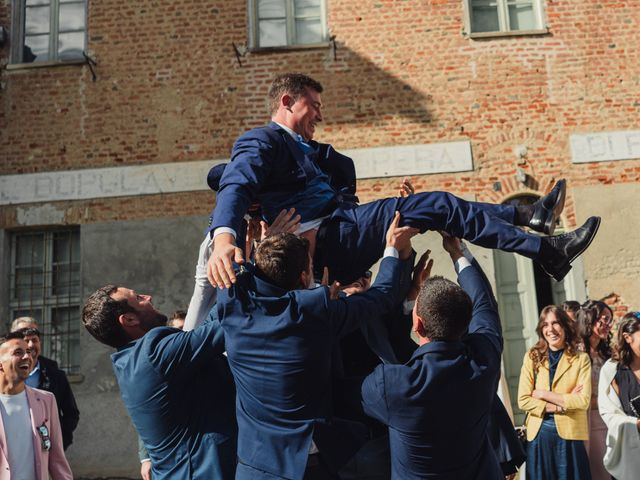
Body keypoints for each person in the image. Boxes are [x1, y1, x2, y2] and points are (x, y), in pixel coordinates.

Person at [207, 72, 601, 288]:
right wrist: (224, 240)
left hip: (343, 229)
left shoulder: (317, 153)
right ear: (287, 102)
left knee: (441, 209)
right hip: (329, 240)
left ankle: (530, 217)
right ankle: (544, 246)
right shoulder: (261, 140)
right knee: (439, 206)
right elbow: (236, 184)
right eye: (315, 106)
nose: (320, 116)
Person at [216, 212, 416, 479]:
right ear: (304, 275)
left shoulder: (233, 307)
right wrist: (392, 247)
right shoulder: (316, 312)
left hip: (257, 468)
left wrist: (252, 246)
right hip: (316, 467)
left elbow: (235, 270)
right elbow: (383, 295)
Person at [356, 233, 504, 479]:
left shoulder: (392, 385)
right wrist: (459, 253)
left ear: (418, 324)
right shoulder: (484, 359)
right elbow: (484, 305)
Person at [81, 286, 237, 480]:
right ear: (129, 319)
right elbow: (228, 322)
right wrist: (234, 272)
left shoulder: (128, 360)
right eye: (138, 298)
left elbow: (212, 325)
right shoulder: (153, 353)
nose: (148, 296)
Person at [517, 305, 592, 480]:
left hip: (570, 436)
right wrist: (560, 406)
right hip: (539, 435)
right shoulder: (532, 356)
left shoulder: (581, 359)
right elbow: (523, 400)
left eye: (556, 323)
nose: (550, 329)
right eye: (545, 324)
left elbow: (583, 401)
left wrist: (544, 393)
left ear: (565, 326)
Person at [0, 331, 73, 479]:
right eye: (18, 352)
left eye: (28, 352)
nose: (28, 356)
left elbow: (57, 459)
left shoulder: (46, 400)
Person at [10, 318, 80, 451]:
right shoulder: (4, 374)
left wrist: (59, 441)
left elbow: (71, 414)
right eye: (24, 338)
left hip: (46, 452)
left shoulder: (55, 375)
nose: (30, 345)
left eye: (34, 339)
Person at [598, 312, 640, 479]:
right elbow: (609, 413)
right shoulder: (612, 370)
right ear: (627, 337)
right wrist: (636, 424)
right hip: (631, 453)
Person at [576, 300, 614, 480]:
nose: (607, 324)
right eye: (604, 319)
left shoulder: (607, 353)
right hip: (587, 421)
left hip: (609, 419)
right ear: (590, 319)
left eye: (609, 320)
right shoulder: (575, 353)